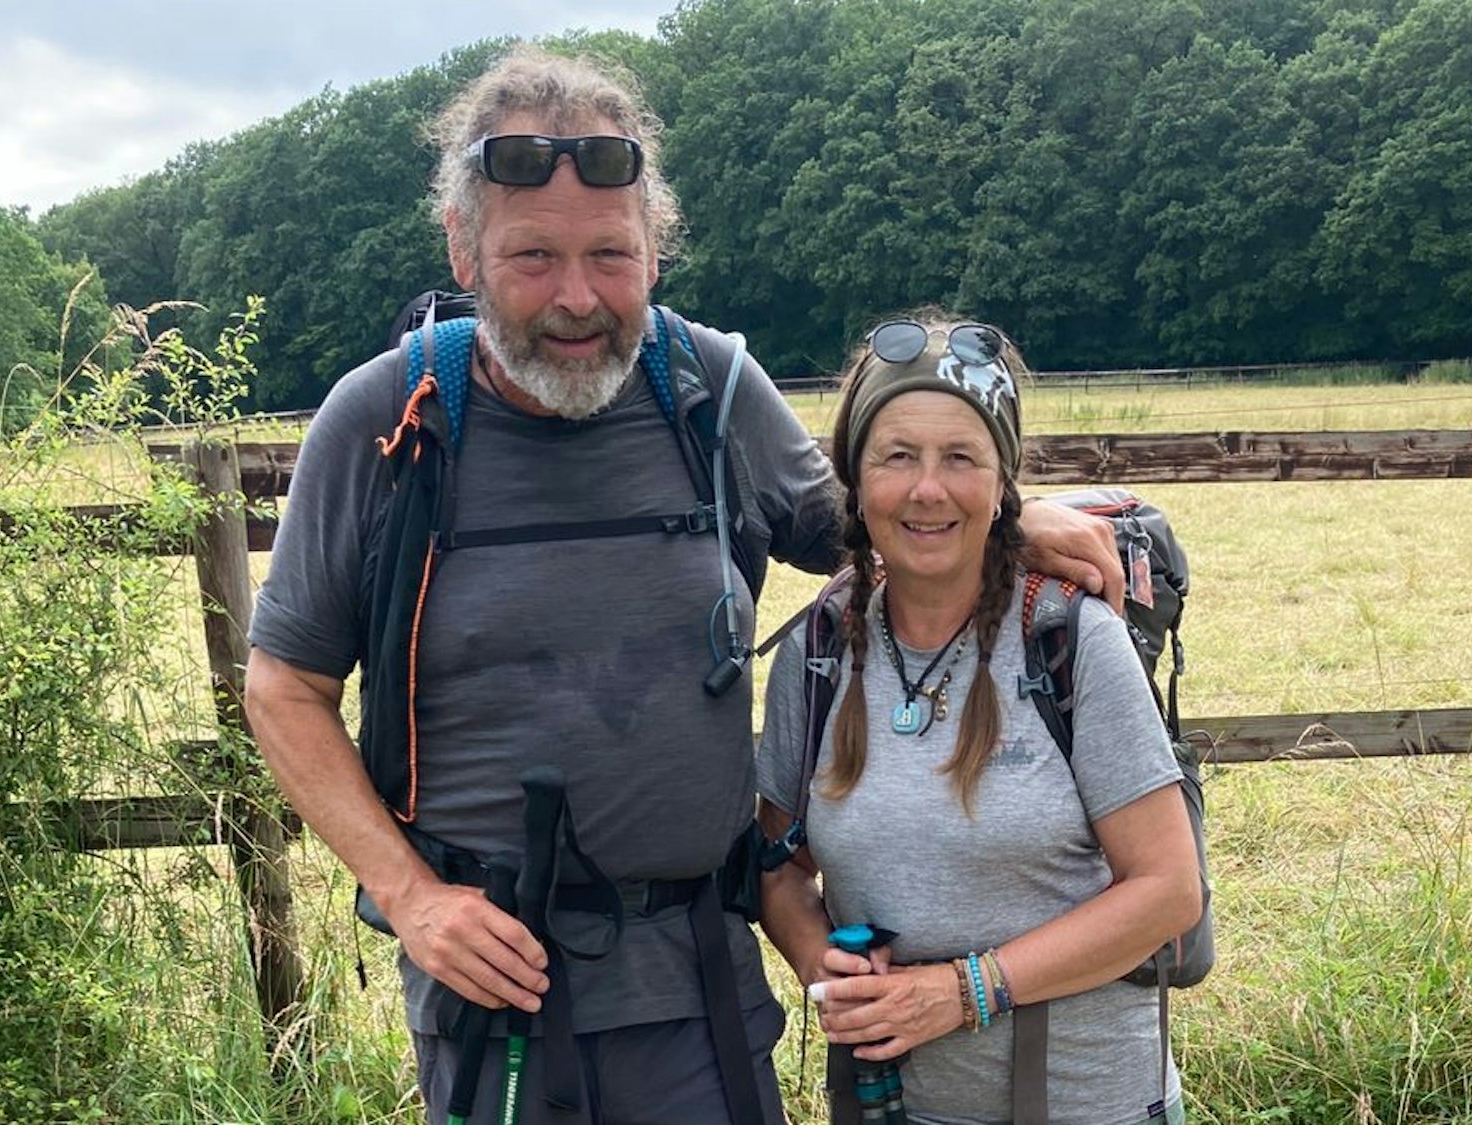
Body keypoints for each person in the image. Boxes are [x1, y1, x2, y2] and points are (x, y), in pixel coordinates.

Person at [244, 47, 1124, 1125]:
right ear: (462, 251)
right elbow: (282, 688)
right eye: (533, 257)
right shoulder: (388, 419)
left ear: (655, 250)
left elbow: (853, 528)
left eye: (610, 255)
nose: (576, 298)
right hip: (493, 991)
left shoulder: (705, 386)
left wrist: (1007, 516)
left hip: (698, 982)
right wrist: (410, 898)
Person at [757, 316, 1203, 1124]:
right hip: (892, 1106)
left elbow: (1170, 890)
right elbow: (777, 865)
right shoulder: (820, 650)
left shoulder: (1068, 639)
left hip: (1090, 1103)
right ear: (854, 481)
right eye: (897, 456)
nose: (929, 489)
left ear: (1003, 485)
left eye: (961, 457)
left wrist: (962, 992)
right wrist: (819, 962)